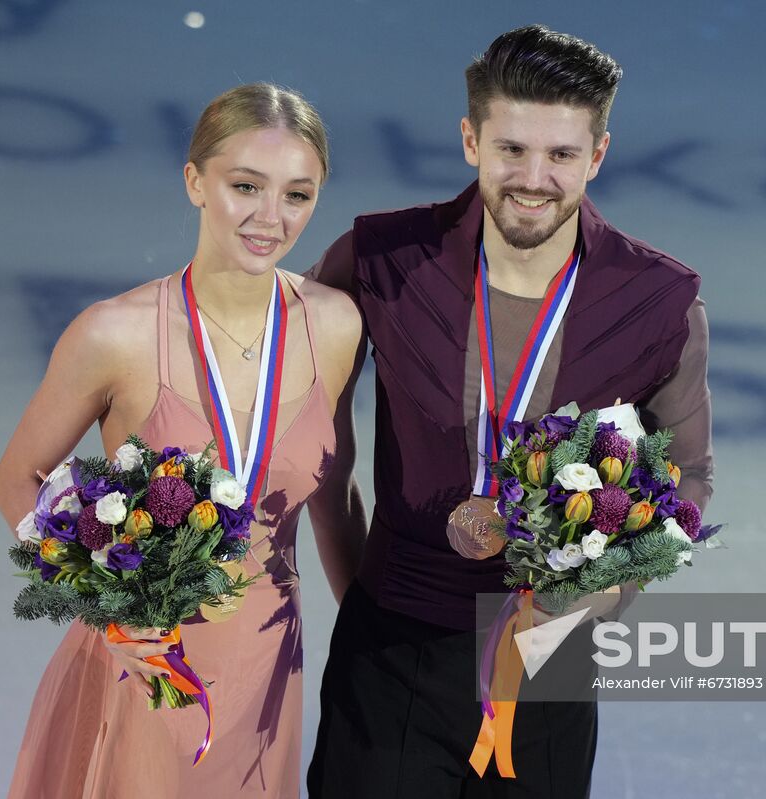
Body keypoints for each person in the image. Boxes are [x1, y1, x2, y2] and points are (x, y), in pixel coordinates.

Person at [305, 26, 714, 798]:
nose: (534, 179)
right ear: (470, 140)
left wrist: (590, 604)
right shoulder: (380, 260)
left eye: (561, 155)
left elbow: (688, 478)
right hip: (391, 652)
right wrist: (364, 592)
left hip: (550, 661)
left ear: (597, 155)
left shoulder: (659, 300)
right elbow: (306, 439)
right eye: (511, 150)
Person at [0, 83, 367, 798]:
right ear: (195, 181)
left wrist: (372, 632)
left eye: (298, 194)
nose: (271, 217)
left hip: (268, 664)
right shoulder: (114, 333)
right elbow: (17, 478)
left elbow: (335, 492)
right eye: (245, 186)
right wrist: (112, 609)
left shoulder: (337, 326)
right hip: (148, 667)